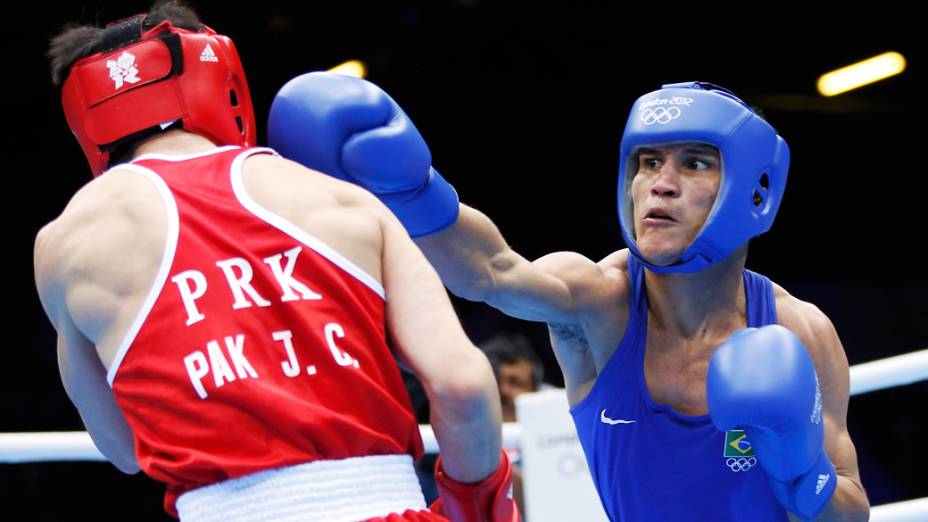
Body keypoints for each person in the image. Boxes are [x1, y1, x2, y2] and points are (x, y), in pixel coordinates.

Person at [267, 74, 871, 520]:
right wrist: (411, 190)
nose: (660, 183)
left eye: (694, 164)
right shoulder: (600, 303)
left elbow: (852, 511)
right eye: (648, 161)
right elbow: (491, 269)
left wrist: (803, 476)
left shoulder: (802, 331)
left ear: (752, 190)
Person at [36, 2, 520, 521]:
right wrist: (477, 508)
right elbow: (462, 384)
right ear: (217, 76)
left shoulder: (67, 242)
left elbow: (125, 449)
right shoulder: (339, 200)